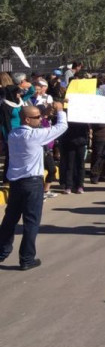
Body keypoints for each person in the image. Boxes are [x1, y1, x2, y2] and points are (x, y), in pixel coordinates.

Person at [0, 102, 68, 270]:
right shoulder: (35, 136)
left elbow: (35, 123)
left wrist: (43, 114)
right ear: (28, 120)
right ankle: (27, 259)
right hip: (32, 184)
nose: (40, 119)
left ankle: (1, 252)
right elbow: (62, 126)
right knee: (31, 222)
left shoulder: (13, 134)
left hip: (16, 183)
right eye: (37, 117)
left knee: (10, 220)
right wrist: (60, 110)